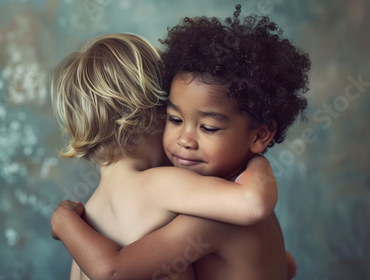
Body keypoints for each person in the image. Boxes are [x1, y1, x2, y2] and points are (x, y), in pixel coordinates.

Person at [51, 5, 310, 280]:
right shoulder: (173, 191)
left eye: (208, 127)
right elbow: (251, 211)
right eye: (174, 119)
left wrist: (64, 221)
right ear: (144, 117)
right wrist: (258, 163)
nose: (184, 140)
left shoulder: (87, 225)